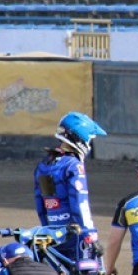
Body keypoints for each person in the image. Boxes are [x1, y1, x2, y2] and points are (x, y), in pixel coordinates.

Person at [33, 111, 107, 261]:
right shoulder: (74, 166)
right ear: (80, 138)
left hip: (53, 234)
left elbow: (41, 205)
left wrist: (48, 229)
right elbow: (80, 204)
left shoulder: (44, 165)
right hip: (75, 235)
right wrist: (90, 235)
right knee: (91, 271)